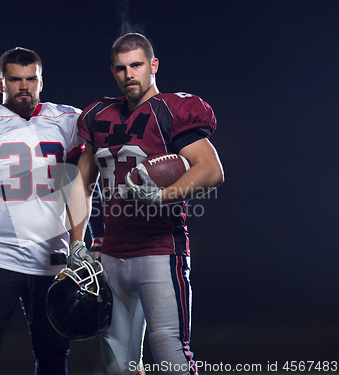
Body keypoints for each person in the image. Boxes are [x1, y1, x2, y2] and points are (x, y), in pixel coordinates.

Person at [67, 33, 224, 375]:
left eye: (136, 65)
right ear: (113, 72)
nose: (129, 75)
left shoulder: (172, 110)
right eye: (121, 69)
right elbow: (82, 183)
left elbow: (211, 170)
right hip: (111, 255)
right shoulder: (98, 114)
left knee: (172, 357)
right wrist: (76, 241)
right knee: (118, 365)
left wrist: (162, 196)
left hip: (159, 251)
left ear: (153, 65)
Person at [0, 47, 100, 375]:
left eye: (31, 79)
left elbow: (77, 188)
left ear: (41, 81)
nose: (24, 86)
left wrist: (88, 242)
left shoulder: (66, 121)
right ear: (1, 83)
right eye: (15, 80)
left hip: (52, 254)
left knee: (54, 352)